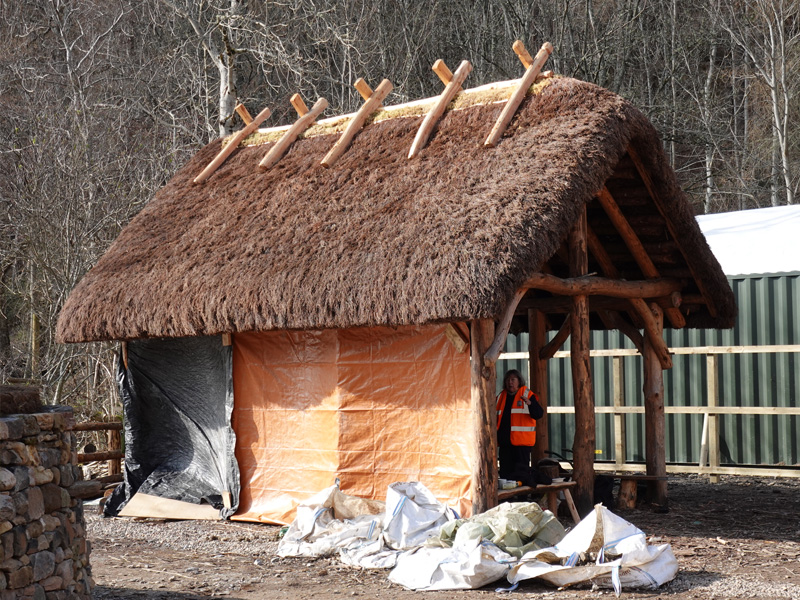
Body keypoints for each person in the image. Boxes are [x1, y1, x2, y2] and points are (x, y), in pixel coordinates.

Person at [496, 369, 544, 480]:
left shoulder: (527, 394)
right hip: (505, 444)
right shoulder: (500, 397)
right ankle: (509, 497)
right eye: (508, 380)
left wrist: (531, 404)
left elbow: (539, 414)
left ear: (519, 381)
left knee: (522, 474)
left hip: (521, 445)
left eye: (513, 379)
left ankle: (522, 497)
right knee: (505, 475)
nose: (510, 382)